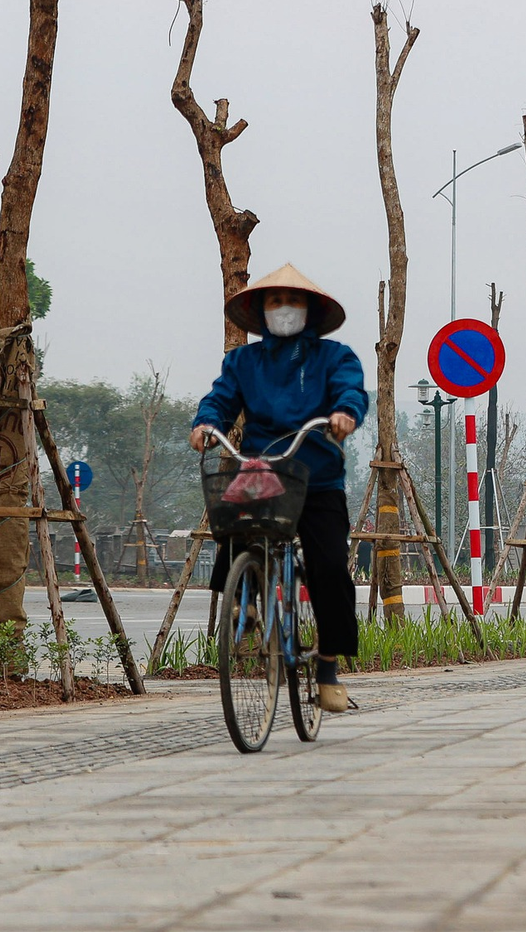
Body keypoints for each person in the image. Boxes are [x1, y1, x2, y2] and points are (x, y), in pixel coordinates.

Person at [190, 264, 366, 713]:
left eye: (293, 301)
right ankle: (243, 603)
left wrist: (345, 412)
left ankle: (327, 666)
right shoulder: (242, 362)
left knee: (328, 568)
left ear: (309, 310)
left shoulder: (335, 356)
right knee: (231, 524)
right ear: (260, 311)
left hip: (319, 477)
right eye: (274, 301)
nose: (284, 309)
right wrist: (208, 422)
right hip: (262, 471)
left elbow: (352, 391)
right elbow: (221, 397)